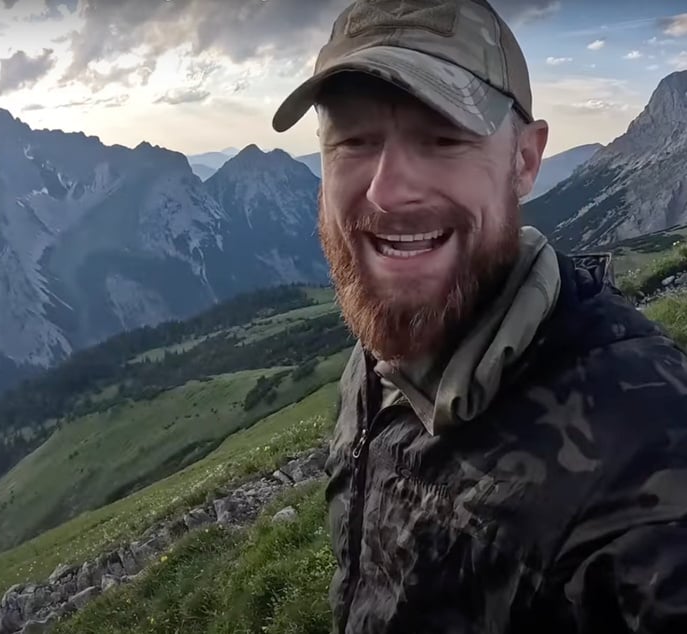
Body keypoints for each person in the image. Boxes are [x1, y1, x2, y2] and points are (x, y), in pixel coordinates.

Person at [270, 0, 687, 632]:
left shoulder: (650, 457)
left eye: (442, 139)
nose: (387, 190)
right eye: (354, 141)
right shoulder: (383, 352)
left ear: (524, 160)